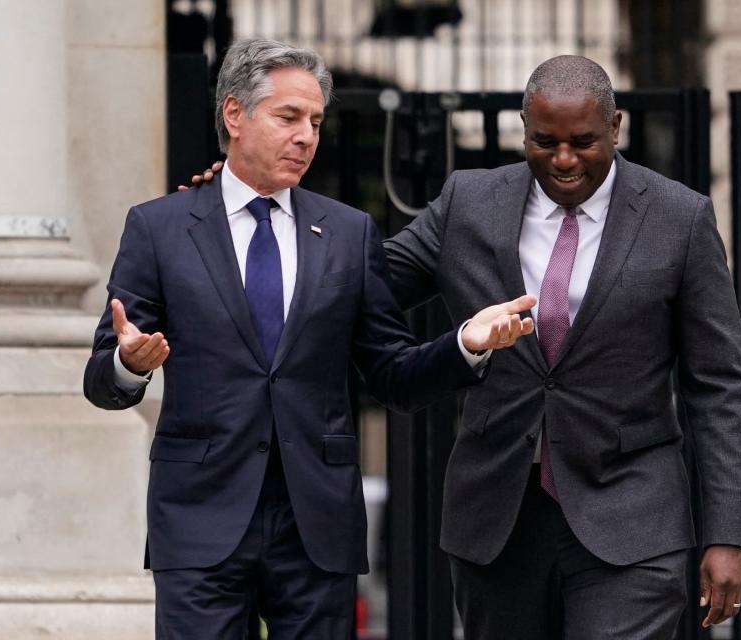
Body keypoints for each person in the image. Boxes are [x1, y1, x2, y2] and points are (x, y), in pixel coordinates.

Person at [190, 55, 741, 638]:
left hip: (632, 520)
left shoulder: (679, 218)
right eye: (545, 142)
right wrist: (239, 211)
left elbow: (719, 385)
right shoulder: (470, 202)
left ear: (615, 129)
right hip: (497, 521)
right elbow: (357, 282)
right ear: (523, 128)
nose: (563, 160)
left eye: (583, 142)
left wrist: (728, 532)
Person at [84, 38, 535, 640]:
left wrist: (466, 344)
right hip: (199, 517)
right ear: (235, 115)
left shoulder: (349, 234)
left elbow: (391, 375)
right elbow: (101, 382)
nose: (306, 136)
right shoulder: (159, 227)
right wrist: (129, 364)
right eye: (289, 117)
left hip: (316, 522)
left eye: (316, 121)